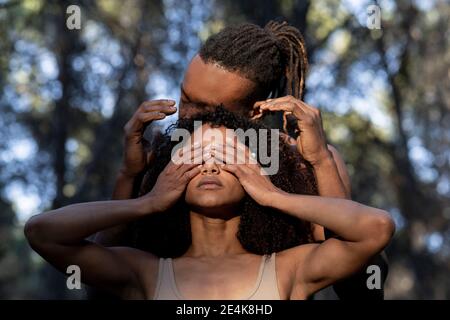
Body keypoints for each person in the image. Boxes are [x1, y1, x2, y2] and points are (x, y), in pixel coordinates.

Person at [99, 20, 389, 298]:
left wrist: (321, 162)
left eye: (202, 108)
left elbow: (361, 290)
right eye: (185, 97)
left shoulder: (302, 162)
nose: (183, 115)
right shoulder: (165, 154)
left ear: (255, 113)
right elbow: (102, 284)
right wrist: (129, 174)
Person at [24, 108, 394, 300]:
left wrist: (272, 195)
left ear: (254, 170)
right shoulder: (145, 273)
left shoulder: (287, 271)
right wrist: (147, 202)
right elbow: (42, 232)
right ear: (171, 171)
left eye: (227, 154)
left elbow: (375, 228)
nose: (212, 164)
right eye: (196, 154)